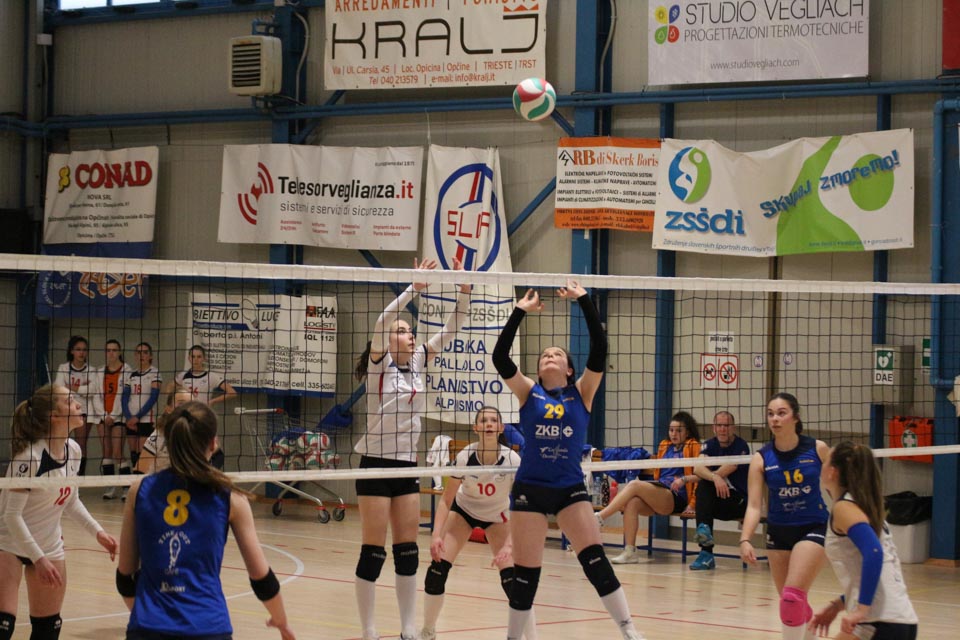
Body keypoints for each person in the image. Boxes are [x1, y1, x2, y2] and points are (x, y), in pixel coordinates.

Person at [493, 283, 645, 640]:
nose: (550, 355)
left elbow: (600, 348)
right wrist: (519, 311)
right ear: (538, 369)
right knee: (525, 576)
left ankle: (629, 630)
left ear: (569, 369)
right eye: (545, 354)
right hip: (530, 489)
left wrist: (584, 300)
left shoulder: (582, 392)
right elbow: (500, 357)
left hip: (569, 489)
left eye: (557, 353)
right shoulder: (528, 392)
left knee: (595, 562)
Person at [353, 257, 471, 640]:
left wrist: (464, 291)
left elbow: (453, 328)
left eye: (411, 331)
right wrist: (412, 290)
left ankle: (407, 630)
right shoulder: (379, 365)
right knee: (373, 552)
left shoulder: (419, 360)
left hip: (406, 466)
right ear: (388, 341)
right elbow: (382, 320)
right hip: (375, 464)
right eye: (402, 331)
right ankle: (369, 631)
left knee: (407, 552)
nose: (410, 335)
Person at [117, 401, 295, 640]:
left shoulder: (139, 490)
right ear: (213, 443)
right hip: (208, 627)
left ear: (170, 442)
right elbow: (261, 577)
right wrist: (281, 620)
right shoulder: (232, 498)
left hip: (147, 627)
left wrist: (145, 614)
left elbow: (125, 578)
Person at [0, 384, 119, 640]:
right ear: (54, 416)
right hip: (8, 543)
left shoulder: (73, 450)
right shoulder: (29, 457)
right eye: (70, 401)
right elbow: (11, 516)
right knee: (3, 625)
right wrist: (38, 559)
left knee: (47, 629)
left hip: (48, 544)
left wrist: (98, 532)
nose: (78, 404)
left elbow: (71, 500)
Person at [419, 406, 536, 640]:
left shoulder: (512, 459)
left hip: (498, 516)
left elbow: (524, 505)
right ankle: (428, 631)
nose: (489, 424)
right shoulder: (465, 456)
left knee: (514, 584)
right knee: (436, 572)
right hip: (465, 511)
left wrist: (510, 544)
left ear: (501, 427)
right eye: (484, 420)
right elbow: (446, 500)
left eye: (493, 420)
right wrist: (436, 535)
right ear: (476, 428)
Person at [740, 392, 829, 640]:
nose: (775, 419)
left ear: (795, 417)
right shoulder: (761, 458)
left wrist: (852, 525)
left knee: (791, 598)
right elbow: (754, 506)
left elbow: (839, 489)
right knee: (791, 602)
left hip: (814, 526)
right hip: (779, 531)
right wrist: (745, 539)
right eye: (770, 414)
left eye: (781, 413)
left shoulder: (817, 449)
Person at [809, 441, 919, 639]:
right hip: (895, 620)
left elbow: (874, 552)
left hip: (880, 622)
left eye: (825, 462)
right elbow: (871, 571)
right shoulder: (861, 506)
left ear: (833, 472)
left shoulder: (844, 509)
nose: (821, 465)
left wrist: (861, 609)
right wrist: (838, 605)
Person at [596, 411, 702, 565]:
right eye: (671, 430)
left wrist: (692, 504)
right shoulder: (665, 445)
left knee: (634, 485)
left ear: (688, 432)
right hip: (660, 489)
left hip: (677, 496)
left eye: (679, 430)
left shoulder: (693, 445)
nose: (674, 434)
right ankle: (630, 551)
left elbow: (699, 476)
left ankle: (600, 517)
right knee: (632, 503)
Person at [689, 410, 751, 570]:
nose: (723, 429)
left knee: (705, 484)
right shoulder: (709, 444)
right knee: (704, 486)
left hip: (738, 502)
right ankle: (706, 553)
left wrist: (713, 475)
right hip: (717, 501)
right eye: (719, 425)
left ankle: (705, 544)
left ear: (733, 428)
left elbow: (729, 467)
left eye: (726, 425)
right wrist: (714, 478)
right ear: (714, 428)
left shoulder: (741, 446)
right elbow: (697, 468)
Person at [175, 345, 237, 469]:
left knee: (213, 450)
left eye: (199, 357)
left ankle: (210, 472)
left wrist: (213, 401)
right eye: (193, 357)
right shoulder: (183, 376)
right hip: (188, 419)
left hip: (204, 419)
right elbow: (170, 389)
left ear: (204, 359)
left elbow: (232, 392)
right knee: (191, 449)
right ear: (189, 358)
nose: (196, 360)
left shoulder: (211, 376)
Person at [92, 339, 132, 499]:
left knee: (117, 452)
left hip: (119, 417)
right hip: (102, 416)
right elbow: (96, 396)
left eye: (114, 350)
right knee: (106, 452)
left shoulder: (127, 371)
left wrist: (113, 415)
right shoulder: (100, 371)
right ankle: (110, 487)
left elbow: (124, 396)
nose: (111, 353)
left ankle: (126, 488)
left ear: (119, 352)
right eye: (108, 350)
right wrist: (104, 415)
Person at [53, 335, 94, 475]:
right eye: (78, 349)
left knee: (81, 444)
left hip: (83, 411)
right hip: (65, 411)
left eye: (84, 350)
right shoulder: (64, 368)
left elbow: (91, 391)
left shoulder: (91, 370)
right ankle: (61, 472)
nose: (81, 353)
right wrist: (82, 388)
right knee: (61, 440)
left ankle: (79, 477)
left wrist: (71, 387)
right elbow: (59, 389)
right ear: (71, 351)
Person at [121, 342, 161, 486]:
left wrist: (137, 417)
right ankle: (135, 485)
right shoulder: (130, 374)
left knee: (143, 453)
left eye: (144, 352)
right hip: (130, 419)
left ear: (150, 356)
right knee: (133, 452)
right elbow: (124, 398)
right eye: (138, 352)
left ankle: (143, 485)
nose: (141, 355)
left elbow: (153, 398)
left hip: (145, 419)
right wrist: (128, 417)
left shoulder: (154, 373)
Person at [135, 382, 192, 474]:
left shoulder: (198, 433)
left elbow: (215, 457)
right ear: (168, 409)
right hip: (161, 481)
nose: (187, 408)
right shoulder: (159, 436)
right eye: (181, 404)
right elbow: (140, 470)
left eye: (191, 404)